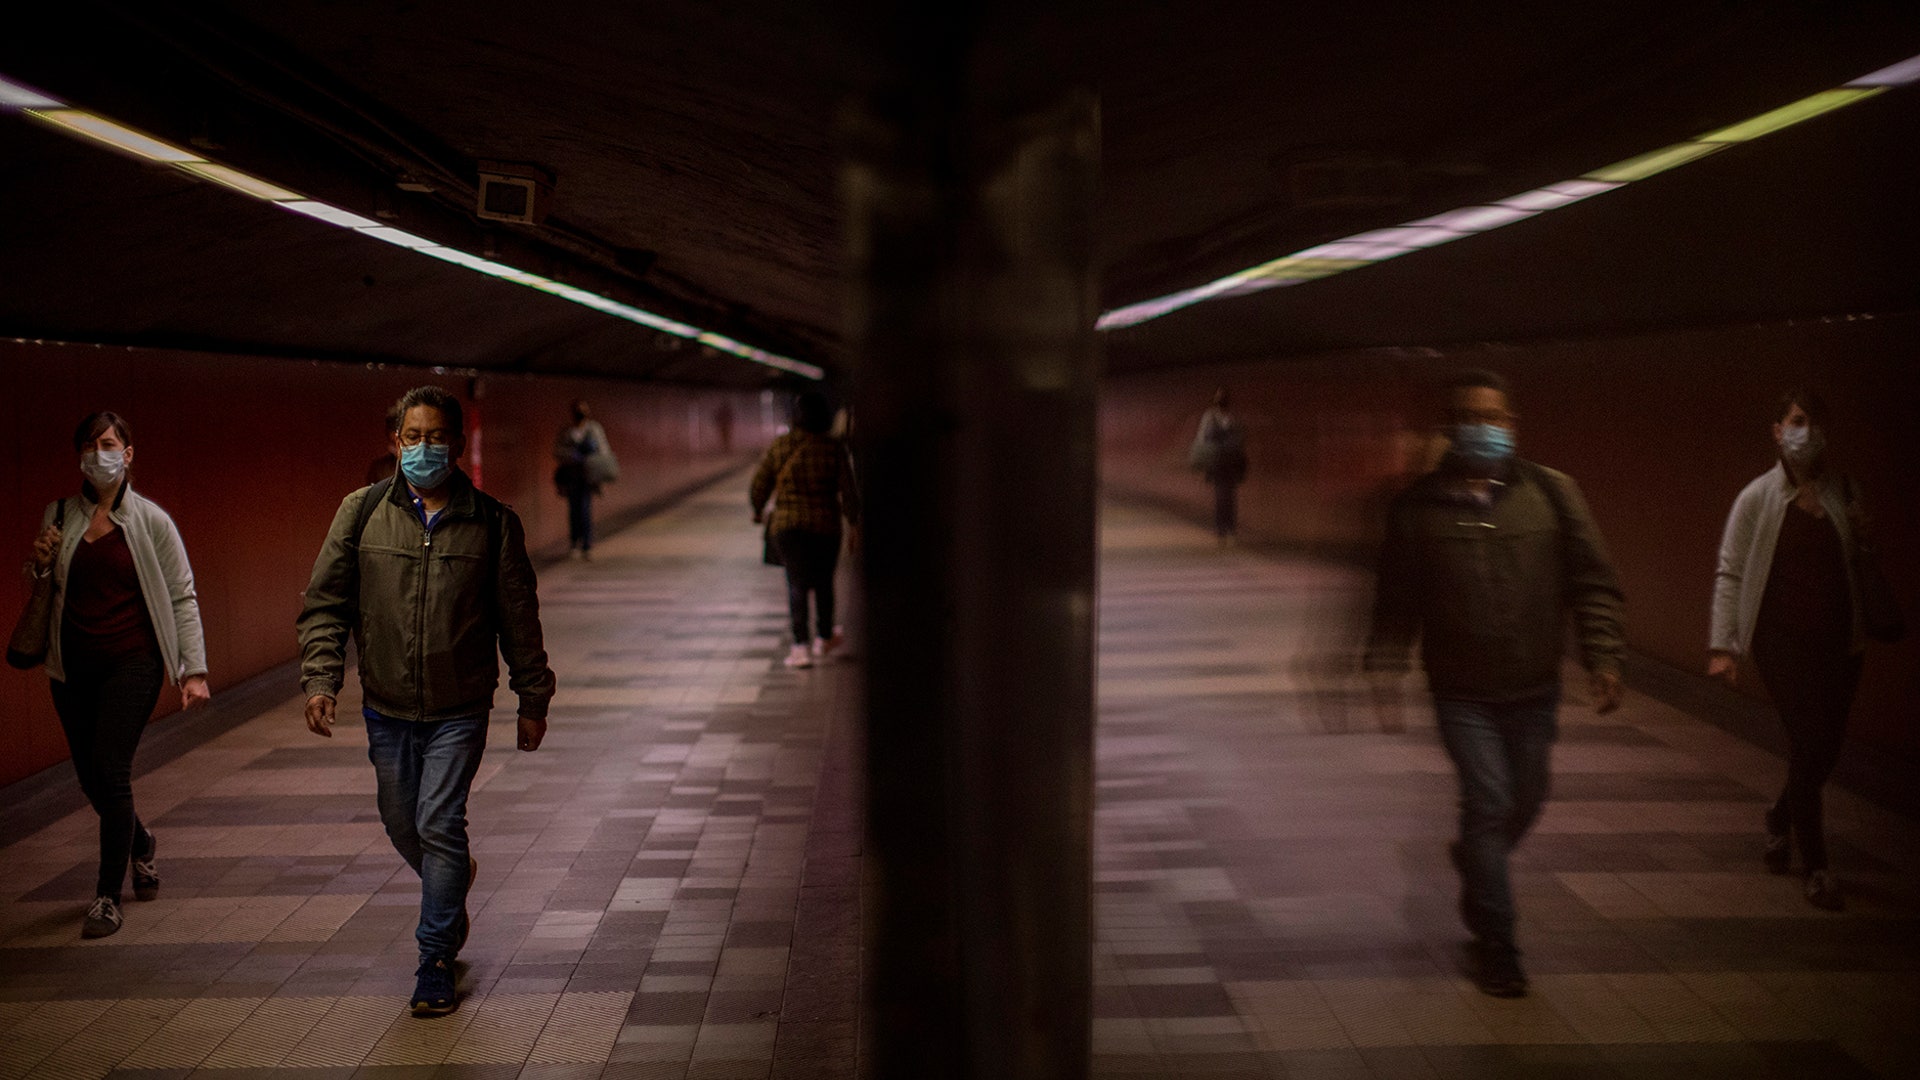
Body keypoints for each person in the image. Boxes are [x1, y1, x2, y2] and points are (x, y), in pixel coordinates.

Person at [1365, 369, 1624, 998]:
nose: (1486, 428)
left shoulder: (1554, 495)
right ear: (1450, 427)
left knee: (1525, 799)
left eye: (1497, 418)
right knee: (1487, 803)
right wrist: (1384, 666)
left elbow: (1592, 581)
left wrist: (1604, 657)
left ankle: (1478, 862)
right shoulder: (1416, 510)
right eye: (1471, 417)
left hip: (1534, 686)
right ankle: (1498, 943)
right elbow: (1396, 598)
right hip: (1461, 692)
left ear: (1512, 425)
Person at [297, 385, 556, 1017]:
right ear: (395, 442)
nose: (423, 448)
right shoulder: (359, 514)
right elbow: (326, 605)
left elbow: (518, 618)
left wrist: (532, 696)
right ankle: (452, 879)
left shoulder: (492, 523)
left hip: (459, 706)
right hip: (385, 704)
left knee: (439, 824)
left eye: (436, 437)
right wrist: (321, 678)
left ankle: (434, 959)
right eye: (412, 437)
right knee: (400, 821)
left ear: (458, 444)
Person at [18, 411, 211, 939]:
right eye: (88, 444)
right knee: (90, 778)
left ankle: (106, 896)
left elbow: (182, 595)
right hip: (71, 667)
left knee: (112, 769)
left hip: (134, 663)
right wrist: (38, 564)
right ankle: (141, 842)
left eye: (107, 444)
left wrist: (193, 669)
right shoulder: (58, 515)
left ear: (127, 454)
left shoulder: (151, 521)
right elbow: (43, 585)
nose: (97, 453)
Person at [1708, 390, 1878, 912]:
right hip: (1781, 644)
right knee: (1808, 739)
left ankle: (1780, 818)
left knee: (1822, 750)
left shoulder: (1843, 491)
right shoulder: (1757, 497)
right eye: (1799, 421)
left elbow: (1858, 564)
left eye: (1816, 422)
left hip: (1840, 645)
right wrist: (1724, 645)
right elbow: (1731, 570)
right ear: (1778, 430)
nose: (1809, 432)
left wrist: (1862, 535)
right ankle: (1819, 867)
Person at [750, 391, 861, 669]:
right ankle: (824, 638)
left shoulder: (781, 446)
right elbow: (848, 489)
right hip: (825, 525)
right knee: (824, 582)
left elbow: (759, 483)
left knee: (796, 584)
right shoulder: (832, 447)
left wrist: (757, 508)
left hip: (787, 526)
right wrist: (855, 522)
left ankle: (800, 648)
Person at [552, 400, 613, 559]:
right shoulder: (567, 432)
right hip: (572, 476)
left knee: (585, 509)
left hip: (588, 476)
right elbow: (557, 451)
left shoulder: (594, 430)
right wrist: (571, 456)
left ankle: (586, 544)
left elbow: (603, 450)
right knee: (573, 510)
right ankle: (574, 543)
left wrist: (593, 461)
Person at [1190, 389, 1248, 544]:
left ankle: (1227, 529)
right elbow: (1204, 438)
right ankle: (1223, 529)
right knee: (1223, 496)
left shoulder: (1229, 417)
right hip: (1219, 462)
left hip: (1227, 463)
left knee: (1228, 497)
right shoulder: (1214, 417)